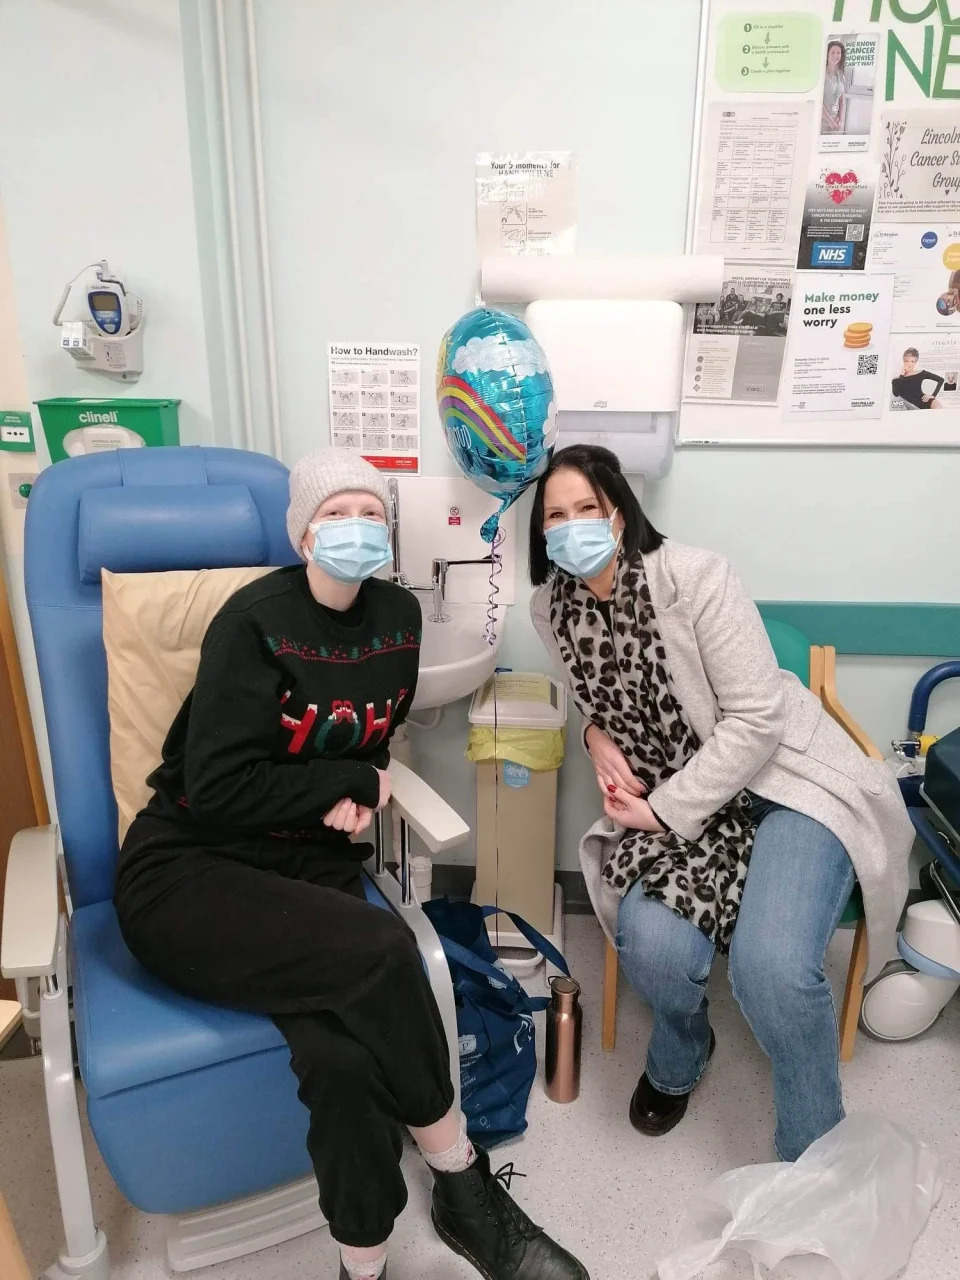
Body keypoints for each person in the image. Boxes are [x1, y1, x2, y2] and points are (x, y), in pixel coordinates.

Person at [114, 448, 588, 1280]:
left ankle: (359, 1267)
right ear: (304, 533)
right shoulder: (252, 622)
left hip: (310, 871)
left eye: (373, 514)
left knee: (345, 1063)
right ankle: (464, 1184)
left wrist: (358, 792)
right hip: (192, 872)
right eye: (338, 515)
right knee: (383, 951)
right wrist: (343, 782)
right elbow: (217, 788)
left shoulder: (396, 621)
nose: (358, 528)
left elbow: (375, 736)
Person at [528, 444, 912, 1163]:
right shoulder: (550, 607)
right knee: (655, 946)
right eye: (556, 515)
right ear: (540, 533)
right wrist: (590, 735)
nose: (573, 524)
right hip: (683, 808)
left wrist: (667, 808)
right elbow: (591, 695)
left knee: (770, 970)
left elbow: (757, 720)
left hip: (781, 788)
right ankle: (684, 1047)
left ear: (619, 513)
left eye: (589, 508)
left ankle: (811, 1152)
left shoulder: (696, 578)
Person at [821, 40, 847, 133]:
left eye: (838, 53)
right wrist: (830, 122)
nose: (836, 55)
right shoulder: (821, 74)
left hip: (836, 123)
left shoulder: (840, 74)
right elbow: (818, 102)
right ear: (827, 54)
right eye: (832, 52)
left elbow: (841, 100)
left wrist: (840, 120)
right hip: (821, 121)